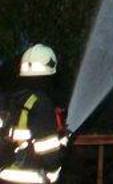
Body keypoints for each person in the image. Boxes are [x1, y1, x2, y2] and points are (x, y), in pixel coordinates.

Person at [0, 46, 67, 184]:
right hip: (31, 178)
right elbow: (48, 155)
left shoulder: (9, 99)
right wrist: (63, 142)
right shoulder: (41, 103)